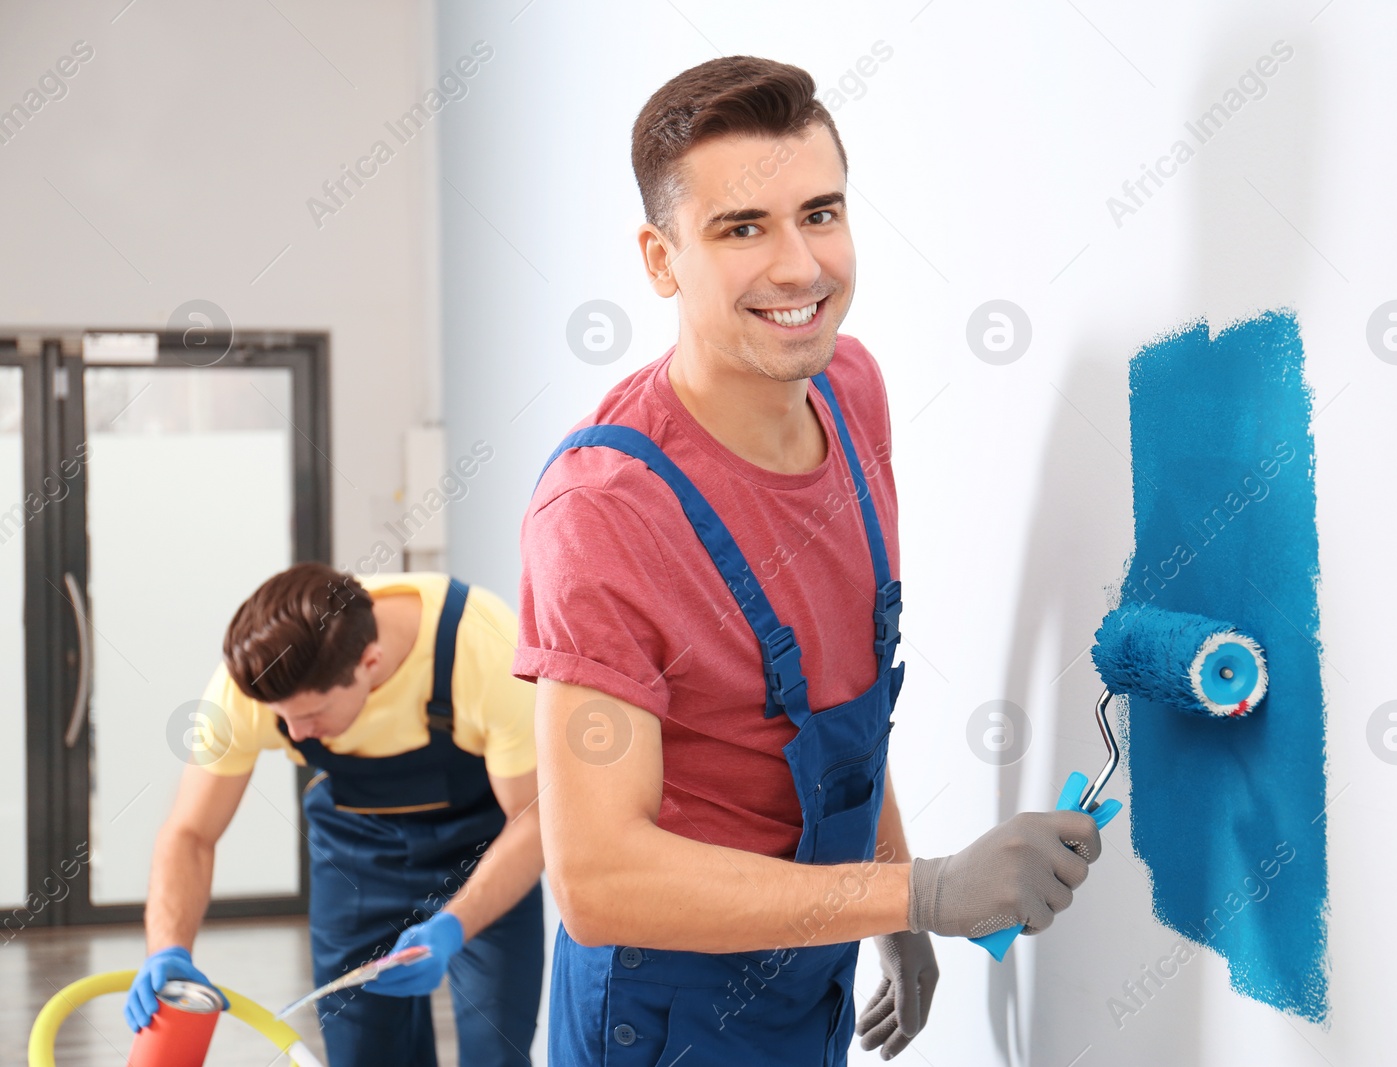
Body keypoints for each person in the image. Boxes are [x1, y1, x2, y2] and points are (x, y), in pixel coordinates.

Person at [518, 56, 1104, 1065]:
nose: (800, 267)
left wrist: (888, 907)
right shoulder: (604, 513)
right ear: (661, 260)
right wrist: (921, 887)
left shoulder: (850, 388)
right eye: (742, 228)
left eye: (820, 213)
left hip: (803, 965)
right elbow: (597, 878)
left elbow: (837, 704)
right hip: (661, 1008)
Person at [127, 564, 546, 1067]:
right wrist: (168, 950)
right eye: (282, 717)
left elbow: (535, 820)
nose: (295, 733)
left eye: (310, 715)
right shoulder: (252, 687)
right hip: (355, 854)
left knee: (495, 1048)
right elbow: (190, 832)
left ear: (371, 662)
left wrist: (453, 924)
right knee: (364, 1053)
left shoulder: (484, 650)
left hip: (485, 852)